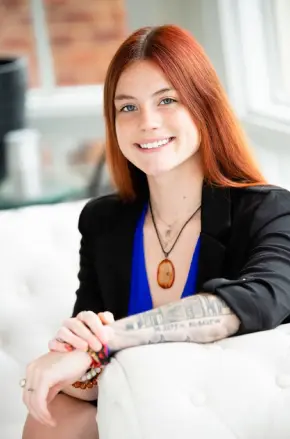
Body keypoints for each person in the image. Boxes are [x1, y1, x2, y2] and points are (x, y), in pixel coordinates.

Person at [22, 24, 290, 439]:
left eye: (167, 100)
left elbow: (261, 300)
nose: (147, 122)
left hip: (226, 420)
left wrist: (107, 340)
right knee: (55, 410)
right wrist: (66, 360)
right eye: (127, 107)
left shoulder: (270, 209)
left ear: (204, 106)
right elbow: (94, 367)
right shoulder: (102, 221)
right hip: (138, 416)